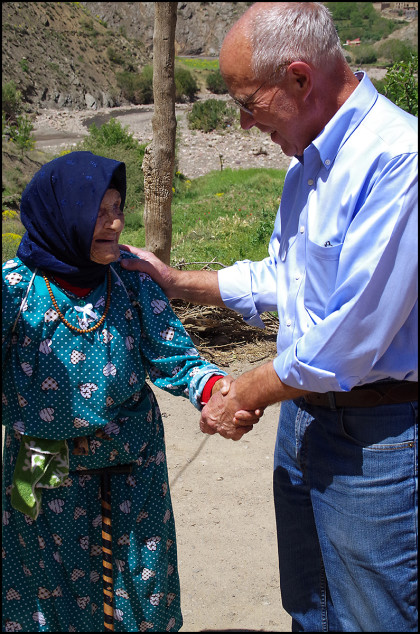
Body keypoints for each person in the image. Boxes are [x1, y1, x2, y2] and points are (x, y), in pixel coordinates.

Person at [120, 2, 418, 632]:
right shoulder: (306, 163)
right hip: (308, 420)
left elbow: (352, 338)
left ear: (300, 79)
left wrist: (247, 389)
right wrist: (176, 282)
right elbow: (285, 279)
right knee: (310, 607)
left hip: (375, 436)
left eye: (249, 102)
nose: (244, 121)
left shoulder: (398, 161)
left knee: (374, 617)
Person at [1, 150, 261, 633]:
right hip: (39, 464)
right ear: (63, 213)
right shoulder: (15, 291)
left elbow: (175, 357)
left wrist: (215, 392)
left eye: (118, 209)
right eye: (98, 211)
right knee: (40, 593)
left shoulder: (131, 282)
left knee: (136, 596)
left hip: (131, 464)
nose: (115, 223)